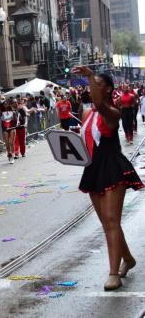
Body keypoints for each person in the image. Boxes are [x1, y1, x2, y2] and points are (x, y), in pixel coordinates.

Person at [72, 65, 144, 291]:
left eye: (98, 85)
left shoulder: (113, 111)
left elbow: (99, 104)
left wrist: (90, 76)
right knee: (106, 222)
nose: (93, 87)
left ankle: (114, 273)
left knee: (112, 221)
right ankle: (128, 258)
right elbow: (85, 141)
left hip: (112, 166)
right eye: (93, 84)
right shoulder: (86, 113)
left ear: (108, 89)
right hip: (93, 168)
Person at [0, 99, 17, 164]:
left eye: (7, 104)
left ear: (9, 104)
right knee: (7, 143)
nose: (6, 105)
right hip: (5, 128)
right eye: (4, 104)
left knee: (11, 142)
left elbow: (15, 120)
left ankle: (13, 155)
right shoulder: (1, 112)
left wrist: (14, 115)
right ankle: (9, 155)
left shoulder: (13, 111)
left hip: (12, 127)